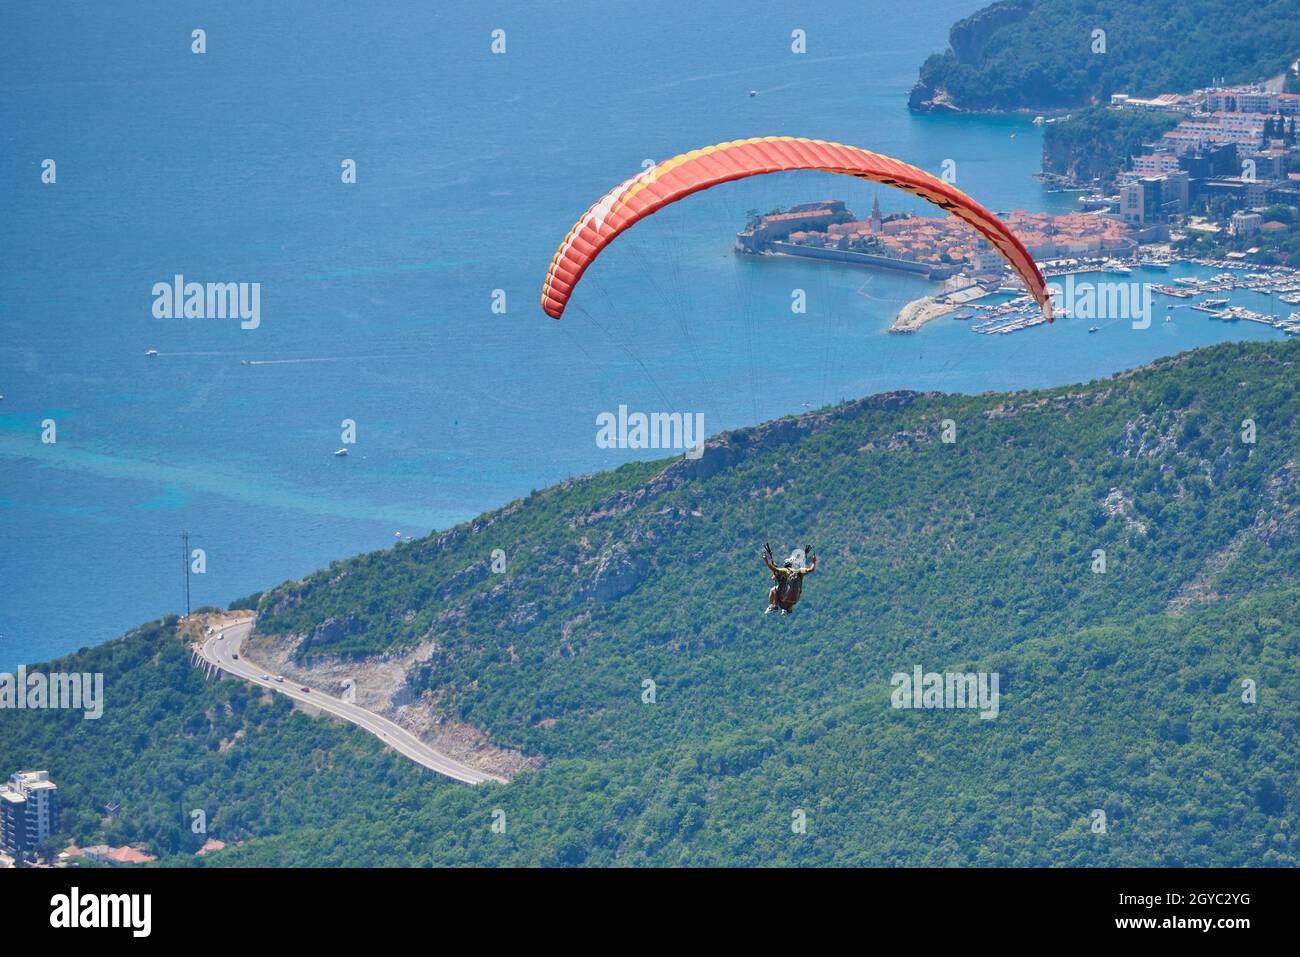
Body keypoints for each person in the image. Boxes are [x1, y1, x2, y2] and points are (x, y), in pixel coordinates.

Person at [763, 542, 817, 616]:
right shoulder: (800, 571)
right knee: (794, 589)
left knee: (773, 590)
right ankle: (788, 608)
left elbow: (774, 569)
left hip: (785, 595)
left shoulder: (785, 570)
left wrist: (766, 561)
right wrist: (814, 562)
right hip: (796, 598)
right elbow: (811, 569)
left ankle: (773, 606)